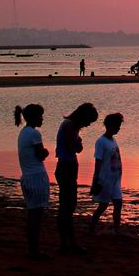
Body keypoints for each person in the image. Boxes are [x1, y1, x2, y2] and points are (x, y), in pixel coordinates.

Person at [55, 102, 98, 255]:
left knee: (69, 206)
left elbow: (76, 148)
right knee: (66, 206)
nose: (88, 125)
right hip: (65, 167)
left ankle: (69, 243)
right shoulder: (68, 125)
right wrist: (78, 143)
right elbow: (73, 148)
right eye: (89, 121)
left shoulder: (72, 127)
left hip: (69, 167)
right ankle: (66, 244)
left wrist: (78, 144)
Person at [14, 104, 51, 260]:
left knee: (32, 215)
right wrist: (47, 151)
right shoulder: (34, 134)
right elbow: (41, 155)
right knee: (37, 216)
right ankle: (34, 251)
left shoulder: (23, 132)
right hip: (36, 178)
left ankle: (32, 249)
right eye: (40, 116)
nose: (42, 118)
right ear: (34, 117)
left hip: (27, 177)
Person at [89, 113, 124, 235]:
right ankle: (92, 226)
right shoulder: (101, 142)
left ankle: (116, 230)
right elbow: (98, 162)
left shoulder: (113, 140)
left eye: (119, 125)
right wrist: (95, 181)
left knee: (118, 203)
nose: (119, 128)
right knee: (103, 205)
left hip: (115, 179)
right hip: (105, 179)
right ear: (109, 125)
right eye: (117, 125)